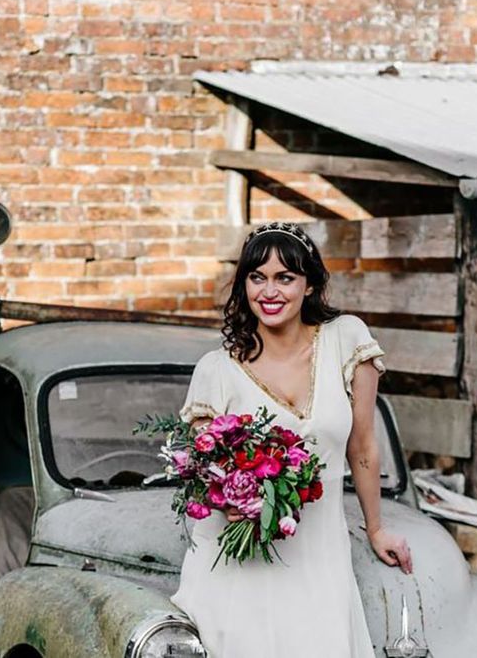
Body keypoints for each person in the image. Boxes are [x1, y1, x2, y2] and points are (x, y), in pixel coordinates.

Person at [170, 221, 413, 657]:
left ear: (310, 285)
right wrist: (240, 493)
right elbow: (206, 475)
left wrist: (376, 529)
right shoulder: (215, 370)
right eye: (257, 277)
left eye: (285, 277)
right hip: (240, 563)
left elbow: (362, 447)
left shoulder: (346, 340)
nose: (270, 291)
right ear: (243, 284)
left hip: (320, 553)